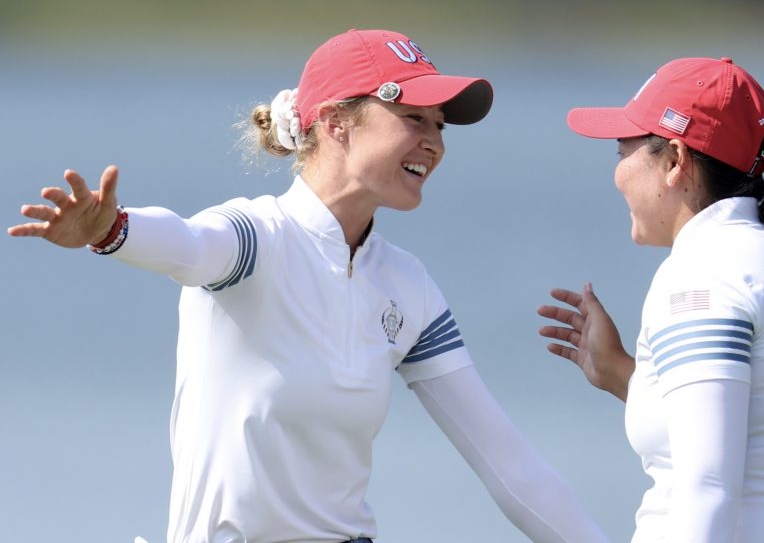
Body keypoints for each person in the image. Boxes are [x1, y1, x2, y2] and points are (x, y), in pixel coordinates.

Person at [8, 28, 609, 543]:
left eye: (440, 125)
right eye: (412, 118)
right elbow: (187, 243)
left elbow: (510, 466)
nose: (434, 142)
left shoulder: (408, 287)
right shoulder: (254, 238)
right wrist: (112, 229)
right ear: (335, 123)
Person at [537, 57, 764, 542]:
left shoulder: (703, 274)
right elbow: (748, 435)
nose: (616, 173)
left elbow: (708, 490)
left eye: (623, 150)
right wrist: (620, 373)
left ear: (675, 160)